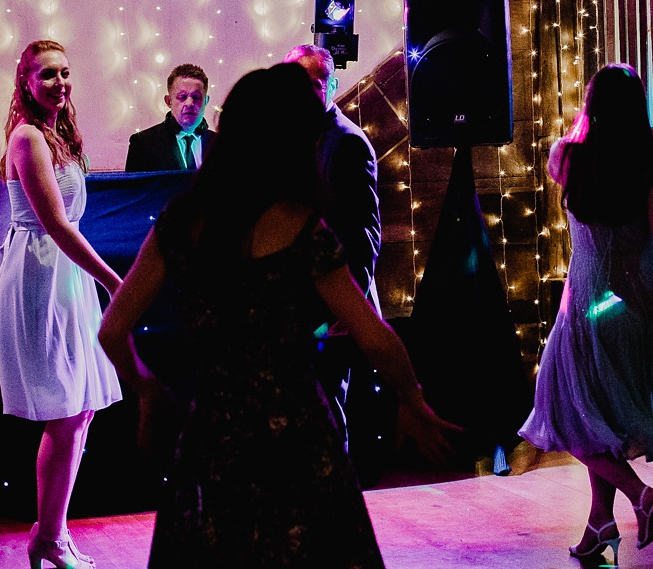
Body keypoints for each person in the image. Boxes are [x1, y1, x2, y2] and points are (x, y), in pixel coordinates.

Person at [97, 62, 458, 567]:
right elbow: (374, 337)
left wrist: (146, 391)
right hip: (297, 436)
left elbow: (112, 328)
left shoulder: (182, 222)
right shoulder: (300, 225)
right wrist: (412, 401)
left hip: (211, 437)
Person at [518, 64, 653, 568]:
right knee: (601, 421)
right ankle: (600, 526)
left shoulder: (566, 157)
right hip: (641, 307)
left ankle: (641, 495)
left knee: (566, 414)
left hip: (588, 306)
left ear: (592, 105)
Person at [0, 40, 123, 569]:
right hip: (40, 279)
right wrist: (117, 281)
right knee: (65, 412)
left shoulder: (57, 134)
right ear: (25, 82)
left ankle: (52, 531)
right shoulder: (26, 137)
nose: (60, 83)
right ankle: (48, 538)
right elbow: (57, 226)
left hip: (64, 280)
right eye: (48, 75)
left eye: (66, 73)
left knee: (82, 408)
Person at [283, 44, 382, 462]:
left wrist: (351, 302)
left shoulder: (346, 143)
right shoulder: (294, 136)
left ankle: (334, 512)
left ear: (331, 85)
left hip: (333, 305)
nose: (306, 91)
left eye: (316, 81)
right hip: (299, 303)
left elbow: (365, 231)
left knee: (325, 413)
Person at [125, 63, 215, 172]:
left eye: (196, 97)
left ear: (206, 101)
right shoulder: (143, 143)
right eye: (182, 97)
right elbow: (137, 189)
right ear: (168, 101)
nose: (190, 103)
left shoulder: (221, 143)